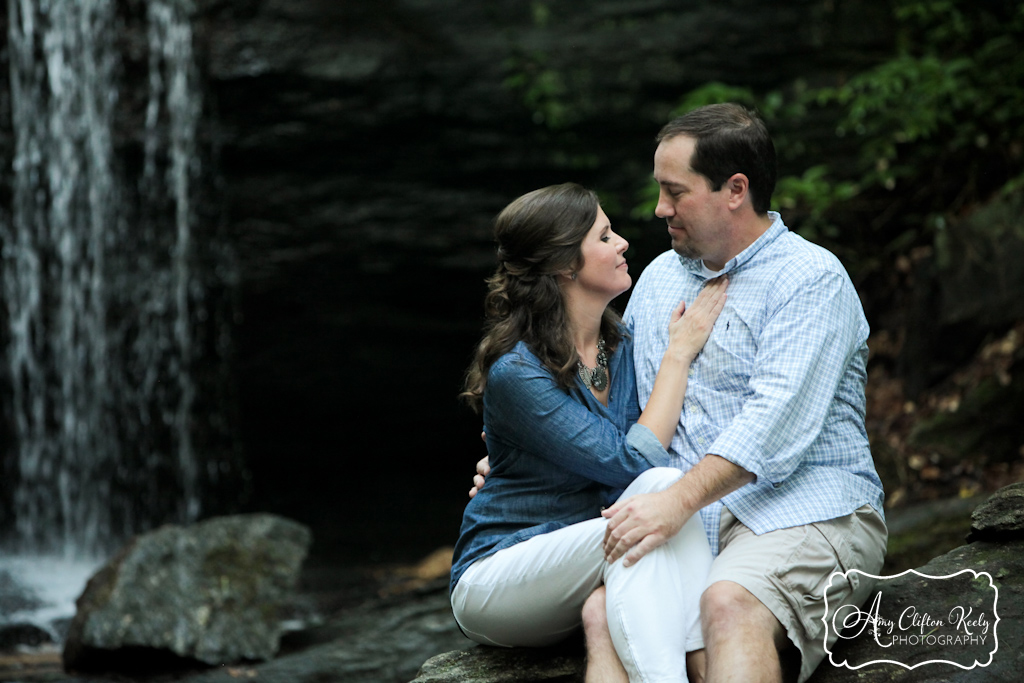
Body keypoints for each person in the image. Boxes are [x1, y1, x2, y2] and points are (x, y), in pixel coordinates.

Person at [471, 103, 887, 683]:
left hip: (800, 506)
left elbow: (774, 428)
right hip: (684, 519)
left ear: (734, 190)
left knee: (728, 604)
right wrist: (530, 465)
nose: (659, 209)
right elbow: (624, 418)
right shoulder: (660, 279)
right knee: (606, 615)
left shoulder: (809, 279)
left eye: (674, 192)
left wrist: (675, 502)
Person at [451, 182, 729, 682]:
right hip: (501, 574)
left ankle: (695, 667)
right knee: (660, 496)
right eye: (604, 236)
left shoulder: (620, 345)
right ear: (565, 266)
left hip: (589, 562)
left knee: (608, 604)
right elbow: (631, 464)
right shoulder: (519, 373)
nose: (623, 242)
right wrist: (679, 355)